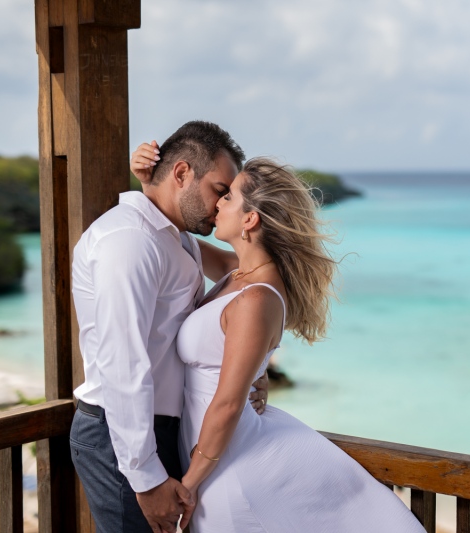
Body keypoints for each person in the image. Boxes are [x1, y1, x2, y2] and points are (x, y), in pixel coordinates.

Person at [130, 145, 427, 532]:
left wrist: (189, 484)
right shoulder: (237, 272)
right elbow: (170, 235)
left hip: (228, 466)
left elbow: (228, 403)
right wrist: (151, 184)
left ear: (250, 218)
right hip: (215, 456)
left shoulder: (257, 298)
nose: (218, 203)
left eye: (229, 196)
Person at [70, 120, 270, 533]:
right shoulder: (129, 241)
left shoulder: (176, 239)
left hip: (160, 429)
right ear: (182, 173)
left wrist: (259, 363)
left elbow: (248, 277)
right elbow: (123, 365)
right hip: (122, 434)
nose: (220, 206)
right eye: (220, 190)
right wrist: (145, 479)